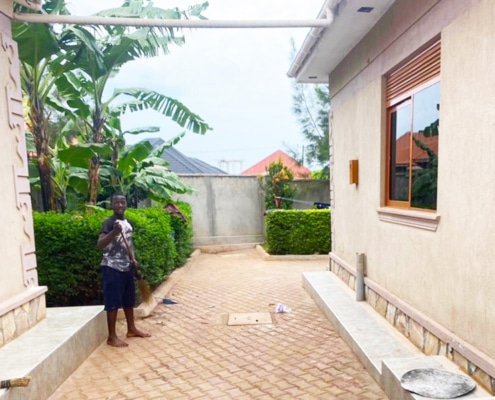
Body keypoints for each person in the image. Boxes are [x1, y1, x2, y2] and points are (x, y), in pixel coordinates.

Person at [97, 193, 151, 347]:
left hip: (127, 266)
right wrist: (114, 232)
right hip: (111, 268)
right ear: (111, 205)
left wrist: (133, 258)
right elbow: (100, 245)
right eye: (116, 203)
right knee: (113, 302)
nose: (120, 205)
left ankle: (131, 329)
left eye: (122, 202)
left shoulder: (128, 223)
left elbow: (129, 243)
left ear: (126, 204)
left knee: (129, 300)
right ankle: (112, 337)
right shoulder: (109, 223)